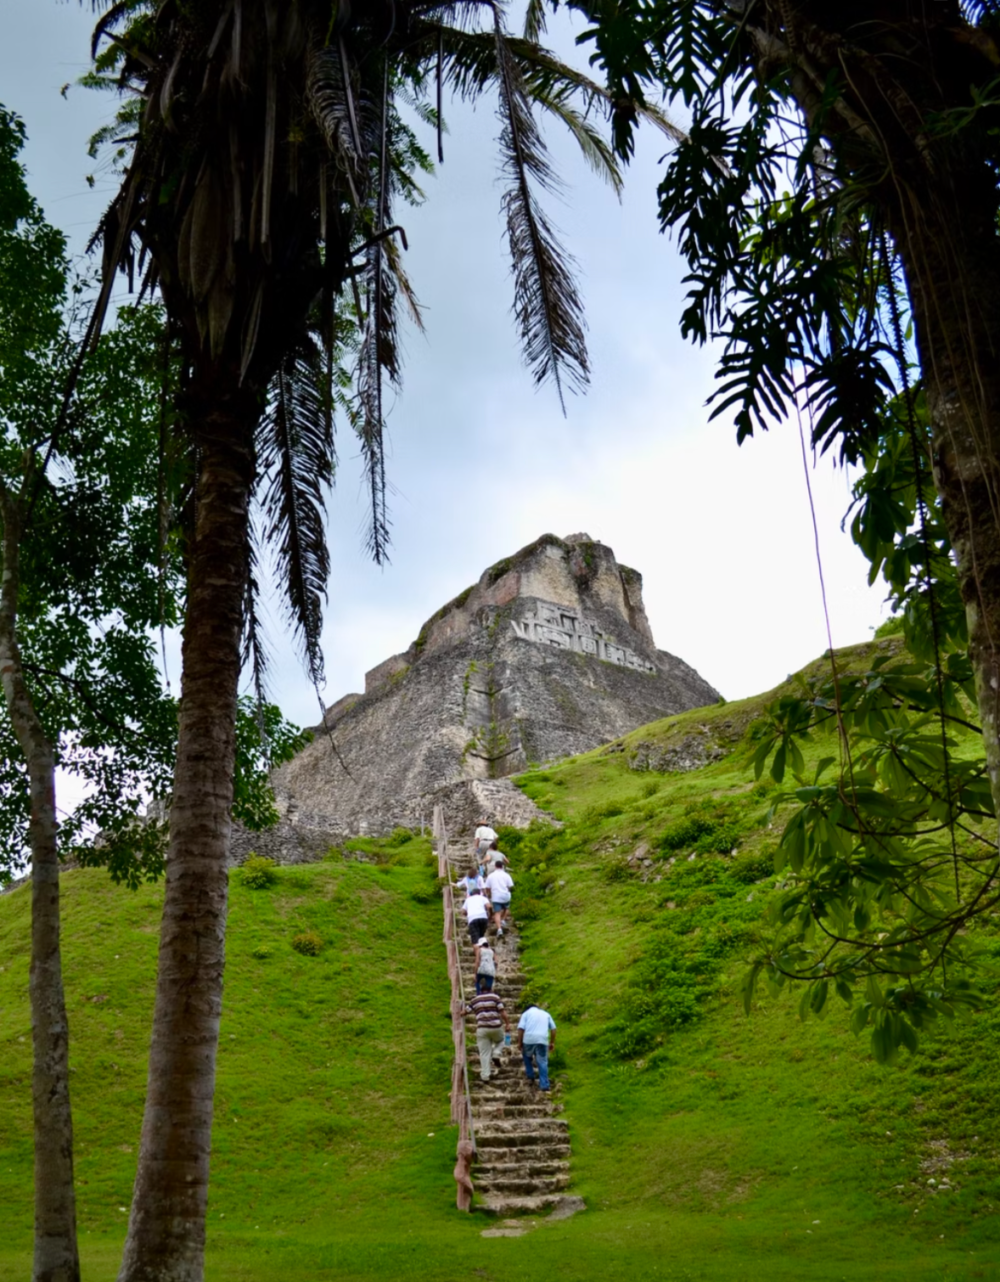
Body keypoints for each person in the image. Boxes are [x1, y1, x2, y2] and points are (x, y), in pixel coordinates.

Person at [464, 987, 511, 1081]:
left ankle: (485, 1076)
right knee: (502, 1040)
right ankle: (496, 1053)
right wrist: (507, 1024)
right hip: (496, 1027)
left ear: (480, 990)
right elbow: (502, 1012)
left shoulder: (475, 1000)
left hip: (482, 1029)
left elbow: (466, 1011)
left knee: (484, 1053)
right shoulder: (495, 997)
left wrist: (460, 1013)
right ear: (490, 989)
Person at [517, 1003, 557, 1092]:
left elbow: (521, 1029)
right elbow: (553, 1029)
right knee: (542, 1061)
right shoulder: (546, 1014)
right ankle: (544, 1085)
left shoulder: (525, 1014)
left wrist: (519, 1043)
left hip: (528, 1039)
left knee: (526, 1056)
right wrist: (552, 1042)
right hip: (542, 1040)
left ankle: (530, 1075)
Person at [484, 857, 514, 936]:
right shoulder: (506, 875)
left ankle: (499, 929)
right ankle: (503, 920)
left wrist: (488, 893)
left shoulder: (491, 876)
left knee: (497, 913)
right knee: (506, 908)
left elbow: (487, 887)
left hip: (496, 896)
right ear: (502, 866)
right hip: (505, 895)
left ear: (495, 866)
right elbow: (510, 886)